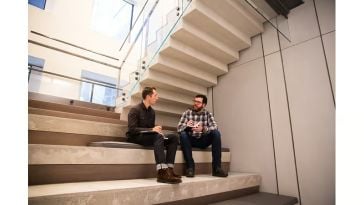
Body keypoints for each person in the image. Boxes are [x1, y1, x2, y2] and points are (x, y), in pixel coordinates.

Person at [126, 87, 182, 184]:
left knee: (174, 137)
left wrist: (156, 131)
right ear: (148, 96)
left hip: (148, 137)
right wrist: (152, 130)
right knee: (158, 136)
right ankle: (162, 173)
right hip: (135, 137)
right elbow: (132, 129)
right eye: (155, 95)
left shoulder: (152, 112)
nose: (157, 98)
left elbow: (151, 130)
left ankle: (169, 170)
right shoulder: (134, 109)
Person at [177, 94, 228, 178]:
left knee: (216, 133)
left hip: (203, 140)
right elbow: (179, 128)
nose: (195, 103)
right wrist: (188, 127)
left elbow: (215, 127)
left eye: (198, 102)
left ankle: (217, 168)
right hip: (191, 140)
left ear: (204, 105)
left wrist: (203, 129)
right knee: (183, 134)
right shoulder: (187, 113)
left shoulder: (208, 114)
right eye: (195, 101)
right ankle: (190, 168)